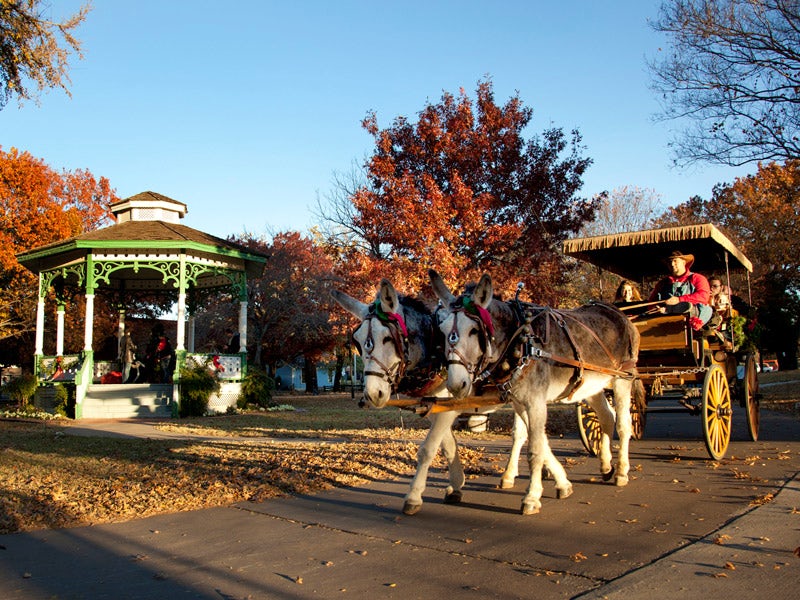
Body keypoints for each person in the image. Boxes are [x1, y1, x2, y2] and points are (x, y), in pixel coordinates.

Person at [648, 249, 713, 329]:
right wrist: (655, 309)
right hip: (665, 324)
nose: (672, 264)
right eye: (669, 262)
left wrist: (679, 299)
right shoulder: (662, 283)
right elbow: (651, 303)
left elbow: (703, 297)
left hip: (690, 324)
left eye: (675, 261)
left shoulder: (697, 278)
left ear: (683, 262)